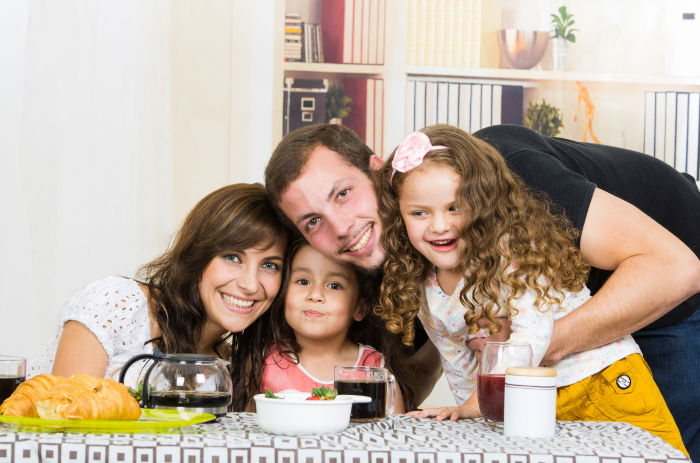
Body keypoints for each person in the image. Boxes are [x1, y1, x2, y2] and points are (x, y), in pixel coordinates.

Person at [264, 123, 700, 457]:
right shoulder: (398, 243)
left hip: (667, 283)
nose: (341, 227)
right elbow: (444, 340)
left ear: (379, 171)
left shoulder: (503, 182)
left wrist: (512, 360)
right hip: (555, 332)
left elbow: (677, 270)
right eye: (313, 221)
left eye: (342, 194)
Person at [374, 126, 686, 454]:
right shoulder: (424, 287)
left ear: (482, 203)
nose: (439, 225)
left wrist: (478, 403)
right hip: (531, 402)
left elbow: (530, 336)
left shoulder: (513, 251)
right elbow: (457, 361)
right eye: (420, 213)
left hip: (598, 383)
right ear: (400, 217)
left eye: (455, 207)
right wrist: (476, 414)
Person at [30, 183, 289, 411]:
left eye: (270, 265)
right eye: (232, 257)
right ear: (197, 255)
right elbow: (65, 424)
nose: (249, 284)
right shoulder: (118, 303)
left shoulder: (233, 365)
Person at [261, 240, 408, 412]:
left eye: (334, 285)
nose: (315, 295)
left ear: (359, 308)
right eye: (302, 282)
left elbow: (394, 432)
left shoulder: (373, 369)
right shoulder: (265, 359)